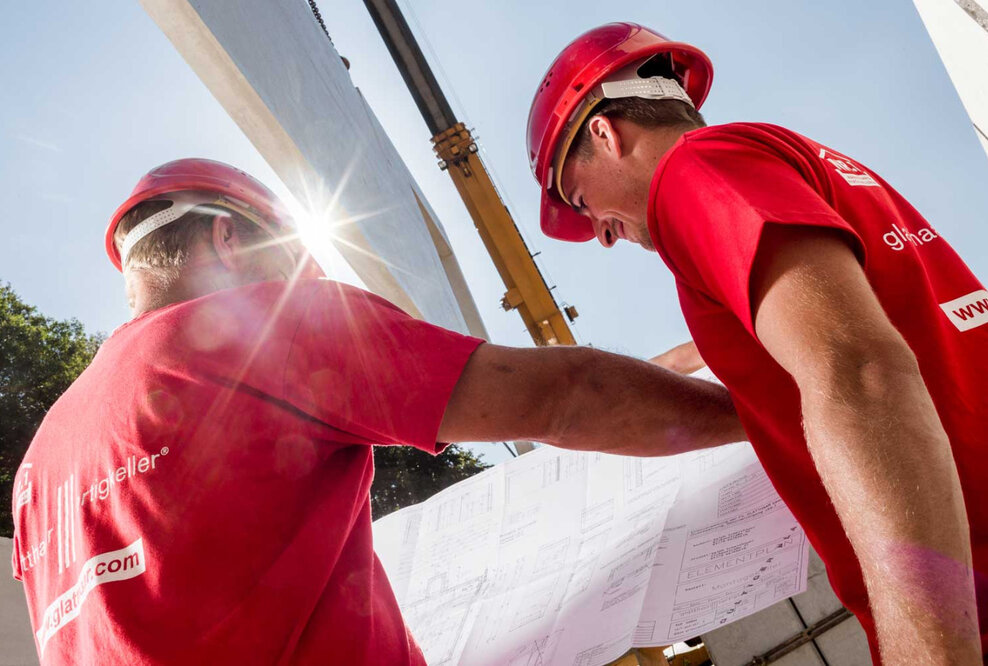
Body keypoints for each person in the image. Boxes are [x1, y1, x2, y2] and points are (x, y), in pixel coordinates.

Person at [10, 158, 744, 664]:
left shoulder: (38, 469)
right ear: (227, 235)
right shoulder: (263, 330)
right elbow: (565, 396)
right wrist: (761, 415)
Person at [527, 22, 988, 665]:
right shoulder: (785, 159)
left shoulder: (693, 173)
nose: (601, 234)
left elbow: (860, 375)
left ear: (604, 133)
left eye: (581, 199)